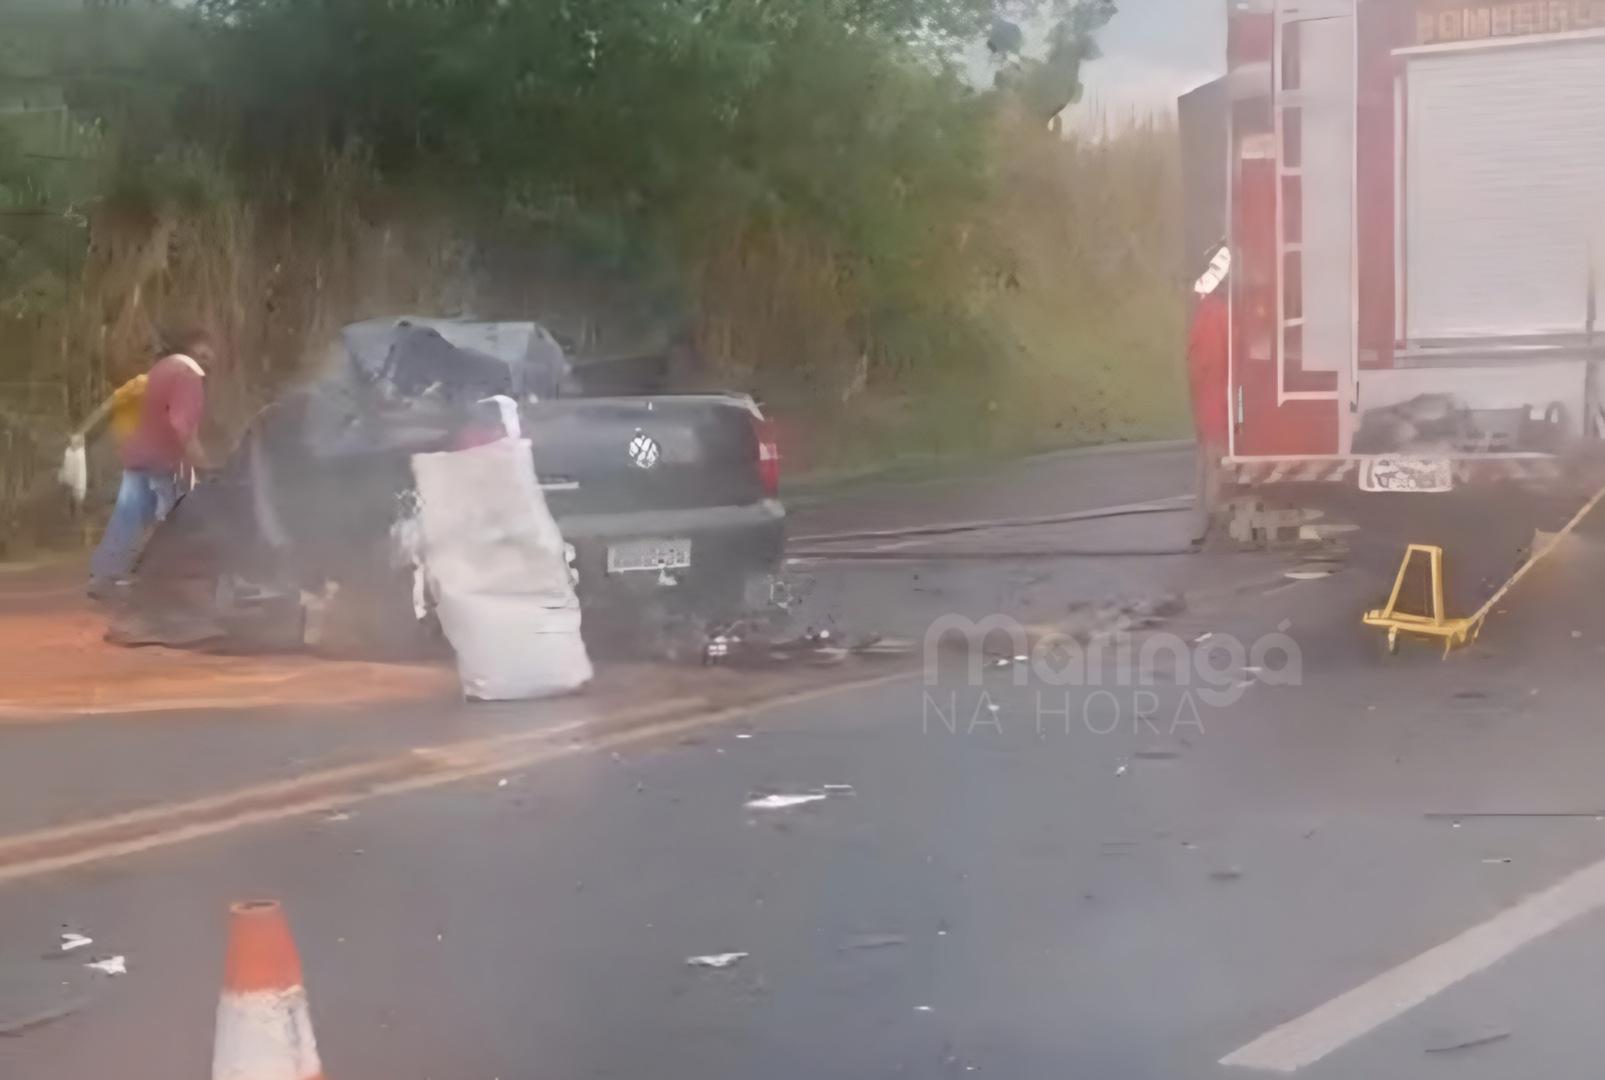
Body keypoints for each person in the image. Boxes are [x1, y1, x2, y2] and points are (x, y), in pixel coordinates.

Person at [86, 331, 215, 599]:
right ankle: (168, 580)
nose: (211, 358)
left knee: (128, 514)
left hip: (139, 455)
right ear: (191, 349)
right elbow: (183, 428)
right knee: (178, 518)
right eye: (206, 352)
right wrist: (204, 466)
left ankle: (105, 575)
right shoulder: (188, 376)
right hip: (164, 462)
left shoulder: (159, 371)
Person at [1186, 245, 1231, 544]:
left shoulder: (1205, 314)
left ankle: (1203, 516)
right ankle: (1213, 516)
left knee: (1206, 459)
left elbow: (1195, 361)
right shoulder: (1222, 315)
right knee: (1215, 459)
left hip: (1204, 399)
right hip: (1218, 398)